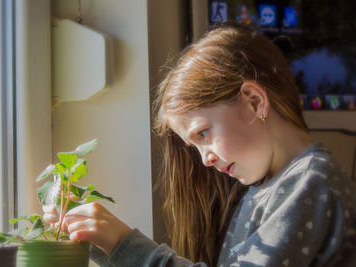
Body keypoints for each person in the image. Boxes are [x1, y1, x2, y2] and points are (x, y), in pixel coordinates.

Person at [44, 23, 356, 266]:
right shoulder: (272, 187)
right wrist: (100, 244)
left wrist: (123, 243)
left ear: (254, 101)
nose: (204, 159)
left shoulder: (311, 182)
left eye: (202, 134)